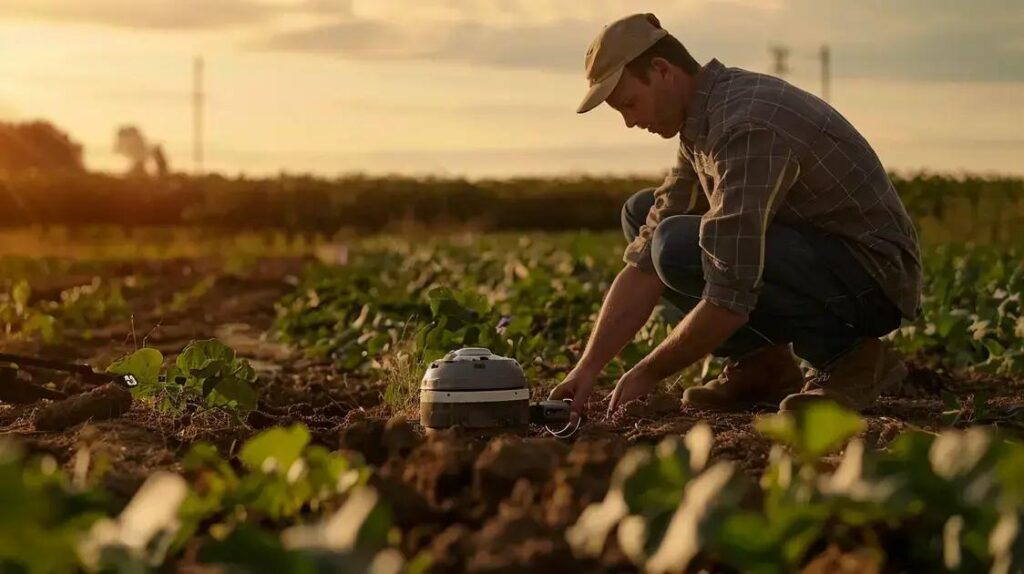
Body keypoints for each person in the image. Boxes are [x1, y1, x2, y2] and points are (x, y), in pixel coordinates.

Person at [548, 13, 922, 422]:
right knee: (642, 217)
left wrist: (648, 373)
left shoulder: (744, 124)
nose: (630, 121)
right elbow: (644, 262)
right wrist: (587, 369)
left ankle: (850, 358)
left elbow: (730, 294)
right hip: (820, 258)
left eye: (629, 103)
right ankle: (761, 366)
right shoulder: (701, 119)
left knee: (676, 246)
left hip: (872, 279)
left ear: (662, 71)